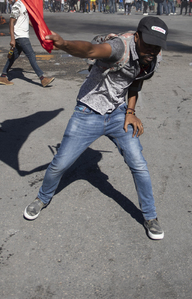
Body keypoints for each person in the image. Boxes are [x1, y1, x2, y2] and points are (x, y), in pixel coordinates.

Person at [23, 16, 169, 240]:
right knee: (60, 164)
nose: (152, 49)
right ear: (137, 37)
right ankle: (42, 198)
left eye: (157, 45)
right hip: (88, 112)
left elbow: (136, 81)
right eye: (148, 43)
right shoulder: (120, 47)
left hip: (118, 114)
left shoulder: (153, 56)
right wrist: (65, 45)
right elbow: (91, 50)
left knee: (138, 164)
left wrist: (131, 112)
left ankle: (150, 216)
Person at [0, 0, 55, 87]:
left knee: (13, 57)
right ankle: (42, 78)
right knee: (31, 55)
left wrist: (39, 30)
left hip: (22, 36)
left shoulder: (26, 5)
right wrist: (12, 39)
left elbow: (27, 20)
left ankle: (3, 77)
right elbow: (11, 22)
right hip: (20, 36)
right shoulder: (18, 5)